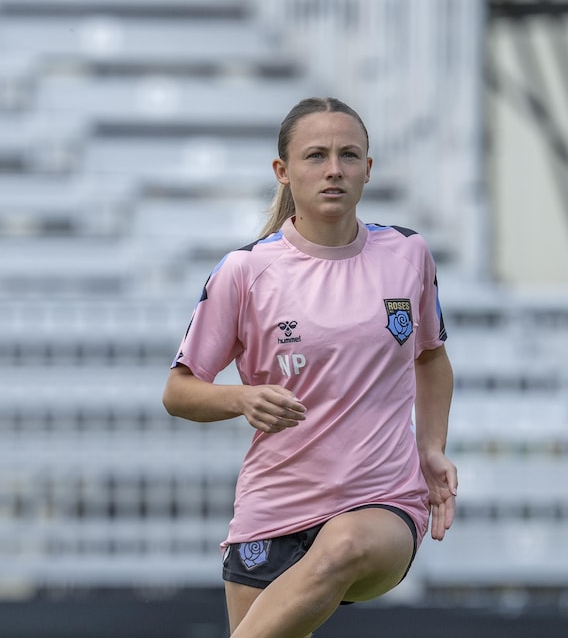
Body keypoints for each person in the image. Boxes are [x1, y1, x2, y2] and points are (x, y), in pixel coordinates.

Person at [162, 97, 457, 638]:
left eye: (349, 156)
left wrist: (431, 448)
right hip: (274, 507)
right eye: (315, 156)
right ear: (283, 171)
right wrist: (241, 398)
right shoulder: (247, 270)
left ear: (368, 169)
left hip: (382, 502)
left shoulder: (408, 255)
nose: (333, 170)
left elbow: (432, 358)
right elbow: (178, 392)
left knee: (341, 547)